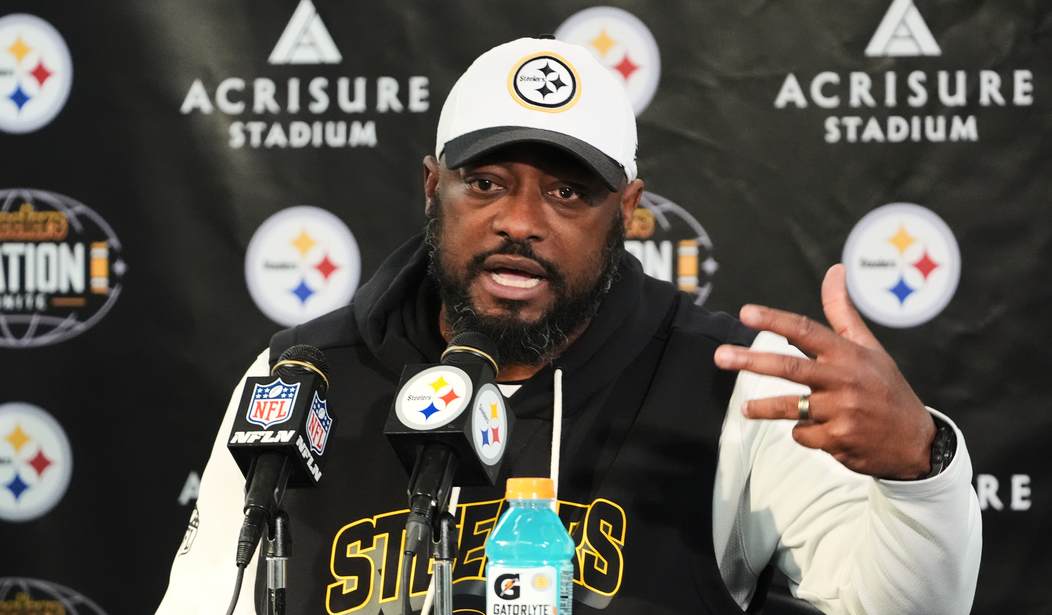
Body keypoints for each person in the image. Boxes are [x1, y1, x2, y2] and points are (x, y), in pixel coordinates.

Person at [157, 37, 981, 615]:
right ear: (432, 187)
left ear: (628, 210)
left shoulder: (732, 379)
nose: (520, 221)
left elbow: (897, 606)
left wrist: (920, 464)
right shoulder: (303, 376)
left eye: (567, 193)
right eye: (486, 183)